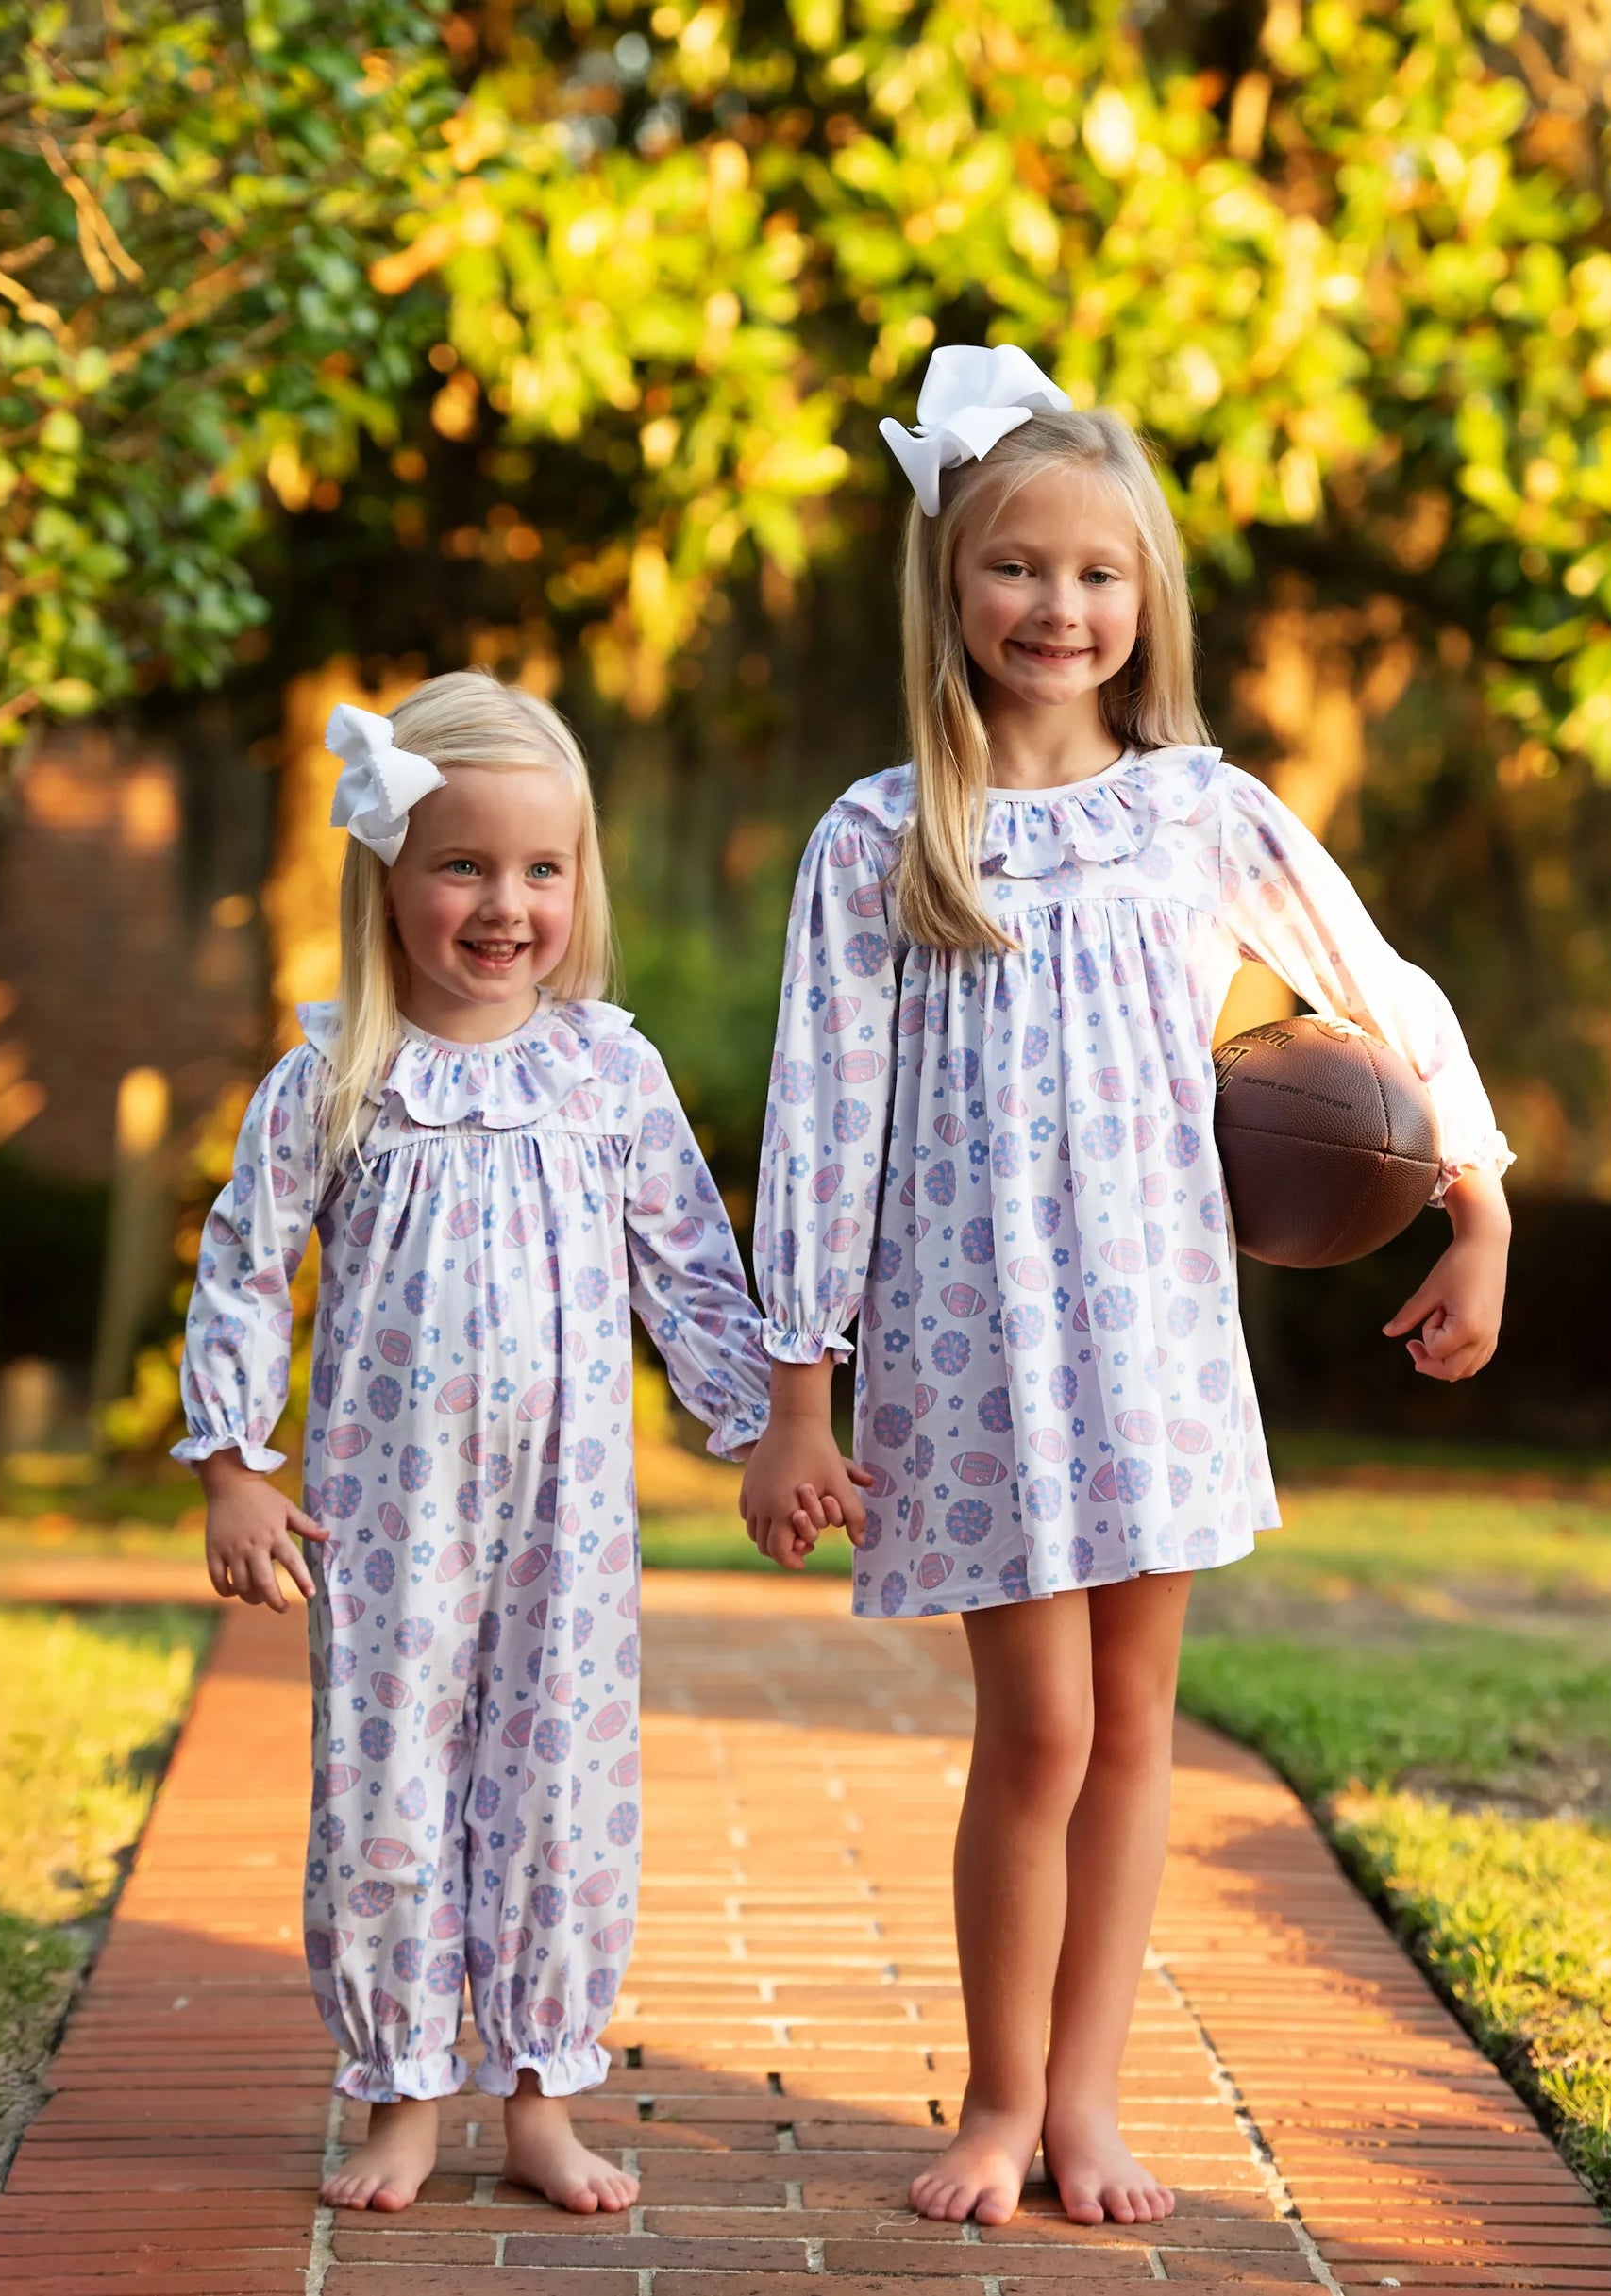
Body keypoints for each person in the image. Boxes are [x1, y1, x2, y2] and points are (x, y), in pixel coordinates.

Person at [738, 347, 1513, 2230]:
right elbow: (820, 1125)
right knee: (1041, 1730)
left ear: (1145, 593)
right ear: (948, 586)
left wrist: (1476, 1202)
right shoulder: (883, 837)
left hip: (1154, 1331)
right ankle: (997, 2101)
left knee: (1140, 1720)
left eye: (1097, 572)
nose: (1057, 606)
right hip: (971, 1343)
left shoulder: (1197, 810)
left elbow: (1374, 982)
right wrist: (797, 1393)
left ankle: (1090, 2102)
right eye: (1016, 567)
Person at [175, 671, 770, 2215]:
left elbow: (690, 1264)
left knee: (559, 1783)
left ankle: (542, 2096)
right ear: (387, 878)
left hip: (568, 1515)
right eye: (462, 865)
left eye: (541, 869)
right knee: (386, 1792)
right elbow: (245, 1262)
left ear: (580, 880)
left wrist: (766, 1429)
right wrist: (236, 1463)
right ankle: (395, 2093)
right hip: (385, 1517)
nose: (505, 904)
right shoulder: (337, 1079)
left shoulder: (605, 1070)